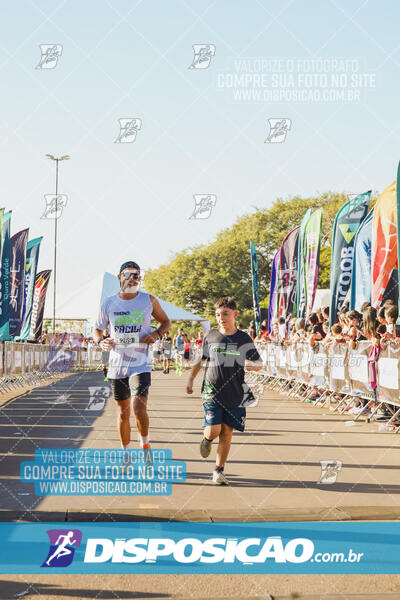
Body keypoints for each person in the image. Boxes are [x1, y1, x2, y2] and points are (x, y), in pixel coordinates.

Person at [93, 261, 170, 451]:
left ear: (140, 279)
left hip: (140, 363)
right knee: (122, 412)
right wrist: (101, 341)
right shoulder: (109, 303)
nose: (132, 278)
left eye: (136, 275)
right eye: (128, 274)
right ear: (119, 277)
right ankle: (125, 453)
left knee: (139, 408)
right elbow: (98, 329)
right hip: (117, 365)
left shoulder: (148, 300)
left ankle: (145, 446)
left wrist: (156, 334)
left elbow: (166, 321)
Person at [186, 297, 262, 485]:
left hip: (235, 392)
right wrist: (190, 379)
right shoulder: (211, 335)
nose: (221, 318)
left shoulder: (243, 338)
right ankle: (207, 438)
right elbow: (200, 360)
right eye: (218, 314)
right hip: (211, 390)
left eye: (225, 314)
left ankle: (218, 471)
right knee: (214, 430)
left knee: (227, 432)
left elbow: (259, 363)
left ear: (235, 315)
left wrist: (251, 365)